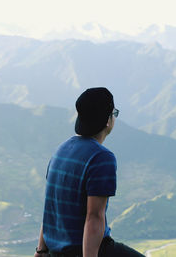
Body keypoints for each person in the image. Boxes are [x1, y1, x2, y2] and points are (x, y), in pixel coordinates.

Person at [34, 87, 144, 257]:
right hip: (87, 251)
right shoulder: (101, 157)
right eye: (114, 113)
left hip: (54, 252)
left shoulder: (61, 150)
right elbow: (94, 217)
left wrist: (41, 251)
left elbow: (51, 205)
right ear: (108, 120)